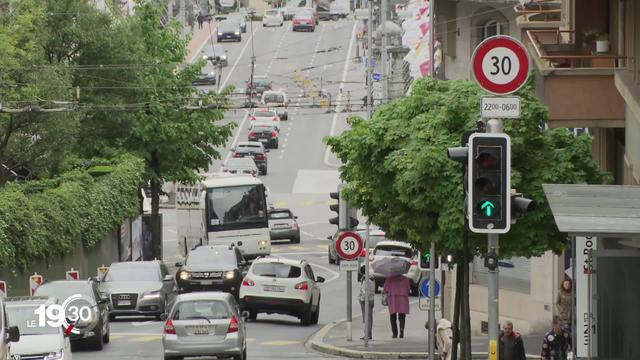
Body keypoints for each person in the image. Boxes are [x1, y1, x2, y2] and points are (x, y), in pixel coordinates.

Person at [358, 268, 375, 340]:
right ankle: (369, 334)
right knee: (369, 318)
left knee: (366, 318)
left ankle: (367, 335)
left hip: (366, 301)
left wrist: (362, 298)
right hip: (370, 300)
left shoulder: (366, 280)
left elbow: (365, 292)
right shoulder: (371, 279)